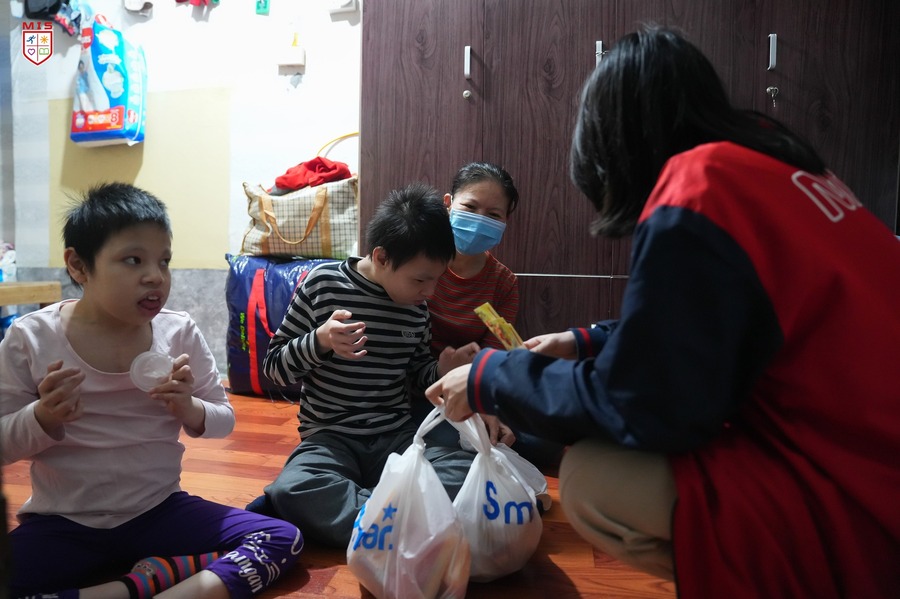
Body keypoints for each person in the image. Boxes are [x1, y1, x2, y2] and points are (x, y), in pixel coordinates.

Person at [426, 27, 900, 598]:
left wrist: (491, 376)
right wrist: (585, 340)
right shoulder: (780, 168)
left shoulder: (699, 189)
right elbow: (717, 324)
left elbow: (647, 404)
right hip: (868, 451)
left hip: (860, 492)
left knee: (597, 479)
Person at [0, 183, 303, 598]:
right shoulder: (31, 338)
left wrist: (188, 406)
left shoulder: (177, 332)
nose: (155, 277)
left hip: (158, 512)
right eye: (133, 260)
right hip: (65, 524)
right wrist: (42, 417)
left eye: (164, 261)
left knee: (282, 538)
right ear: (79, 265)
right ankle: (140, 583)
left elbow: (224, 419)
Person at [248, 182, 475, 549]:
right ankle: (399, 515)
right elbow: (274, 368)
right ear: (381, 257)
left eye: (436, 280)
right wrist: (320, 341)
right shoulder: (323, 285)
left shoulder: (416, 310)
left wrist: (442, 370)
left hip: (396, 436)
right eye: (421, 280)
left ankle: (370, 519)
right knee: (294, 487)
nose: (430, 292)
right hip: (330, 438)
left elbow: (418, 375)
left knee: (465, 470)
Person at [415, 161, 565, 470]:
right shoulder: (417, 263)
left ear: (506, 221)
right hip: (419, 386)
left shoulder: (503, 282)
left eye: (493, 215)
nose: (479, 220)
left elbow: (495, 353)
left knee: (544, 441)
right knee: (449, 438)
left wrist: (485, 403)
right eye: (470, 207)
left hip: (474, 385)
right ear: (448, 204)